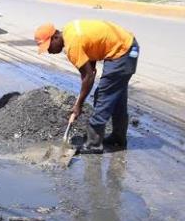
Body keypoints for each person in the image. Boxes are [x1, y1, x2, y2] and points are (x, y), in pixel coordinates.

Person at [34, 20, 140, 153]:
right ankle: (118, 138)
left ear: (55, 37)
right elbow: (91, 51)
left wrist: (79, 105)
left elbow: (88, 77)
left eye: (49, 47)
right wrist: (89, 73)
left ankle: (93, 144)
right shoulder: (69, 31)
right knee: (117, 97)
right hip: (127, 47)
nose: (49, 51)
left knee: (102, 96)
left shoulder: (72, 46)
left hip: (122, 52)